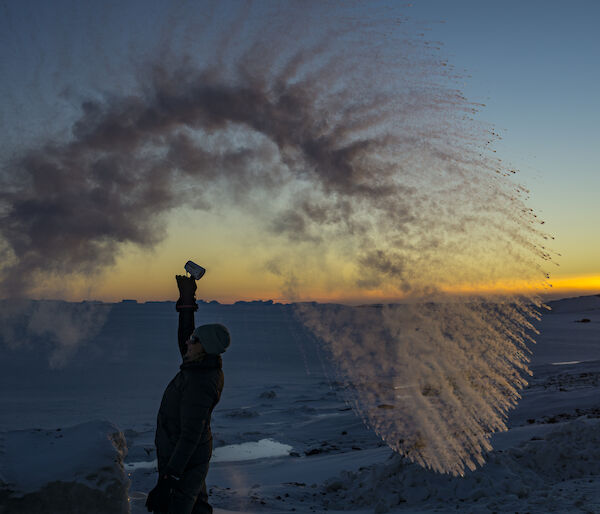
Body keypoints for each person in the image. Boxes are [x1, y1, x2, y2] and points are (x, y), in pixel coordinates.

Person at [146, 274, 230, 514]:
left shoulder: (200, 382)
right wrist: (187, 300)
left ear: (204, 348)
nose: (188, 342)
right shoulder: (200, 364)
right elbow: (186, 333)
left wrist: (170, 478)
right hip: (185, 458)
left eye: (194, 340)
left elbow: (191, 435)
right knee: (198, 508)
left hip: (185, 461)